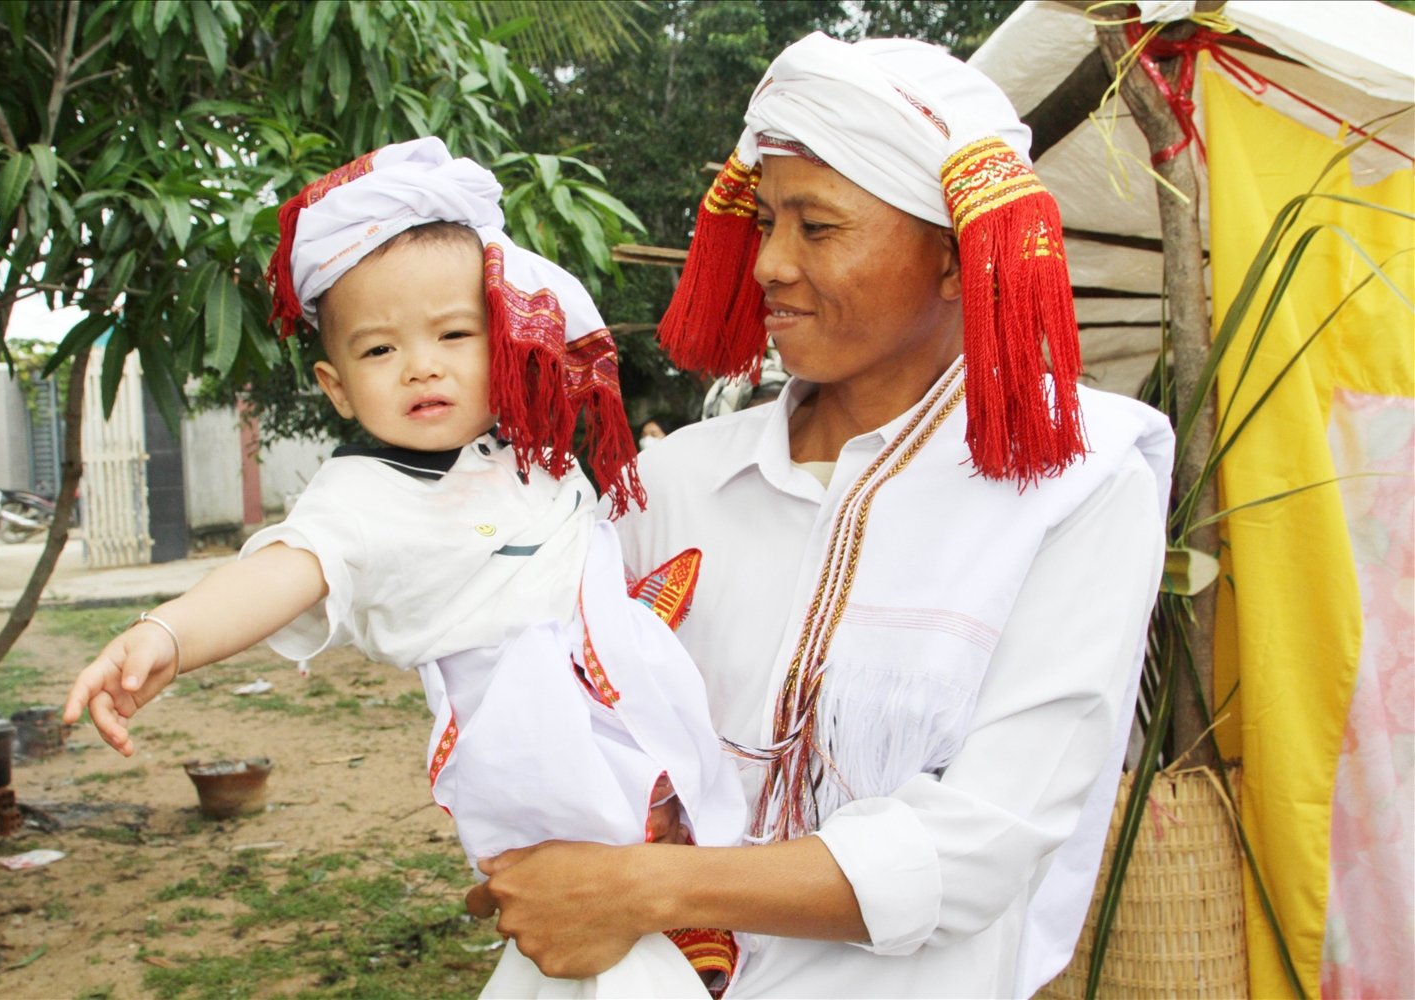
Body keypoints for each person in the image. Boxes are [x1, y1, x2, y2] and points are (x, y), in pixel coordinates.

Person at [466, 32, 1175, 999]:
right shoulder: (677, 481)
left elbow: (981, 842)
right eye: (764, 223)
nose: (767, 266)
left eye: (818, 227)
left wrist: (635, 887)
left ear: (957, 259)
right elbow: (553, 713)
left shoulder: (1078, 483)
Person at [61, 138, 746, 999]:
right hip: (535, 745)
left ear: (503, 342)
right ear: (337, 386)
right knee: (606, 941)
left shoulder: (523, 447)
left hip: (618, 692)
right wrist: (167, 633)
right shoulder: (365, 495)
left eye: (454, 334)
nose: (421, 364)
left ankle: (686, 909)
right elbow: (286, 567)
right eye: (380, 351)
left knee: (675, 844)